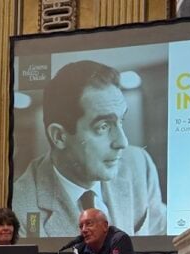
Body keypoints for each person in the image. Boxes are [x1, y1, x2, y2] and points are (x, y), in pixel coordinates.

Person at [12, 60, 166, 238]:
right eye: (103, 126)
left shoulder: (138, 165)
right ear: (59, 136)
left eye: (120, 121)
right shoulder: (21, 210)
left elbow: (161, 236)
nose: (122, 142)